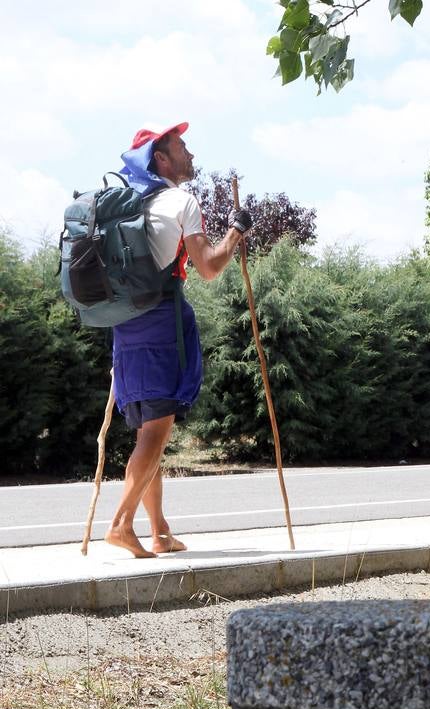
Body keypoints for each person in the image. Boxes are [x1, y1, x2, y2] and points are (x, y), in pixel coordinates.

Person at [105, 122, 252, 559]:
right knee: (158, 429)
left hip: (125, 324)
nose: (189, 151)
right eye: (180, 145)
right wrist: (236, 233)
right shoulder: (180, 201)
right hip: (161, 322)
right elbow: (207, 266)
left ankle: (160, 532)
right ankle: (121, 524)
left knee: (149, 431)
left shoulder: (130, 204)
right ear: (162, 159)